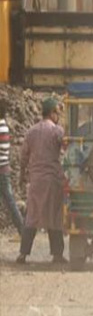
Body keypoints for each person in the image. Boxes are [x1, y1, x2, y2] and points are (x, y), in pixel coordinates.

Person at [17, 98, 67, 265]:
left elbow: (23, 156)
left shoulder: (31, 131)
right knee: (54, 216)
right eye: (57, 113)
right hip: (53, 180)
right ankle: (57, 255)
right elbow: (68, 149)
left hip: (36, 180)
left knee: (32, 216)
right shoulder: (57, 131)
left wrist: (22, 176)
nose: (58, 116)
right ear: (52, 113)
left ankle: (23, 254)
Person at [0, 101, 25, 236]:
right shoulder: (3, 126)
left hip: (1, 170)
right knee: (9, 201)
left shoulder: (0, 127)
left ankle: (22, 229)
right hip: (3, 169)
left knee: (9, 201)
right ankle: (22, 229)